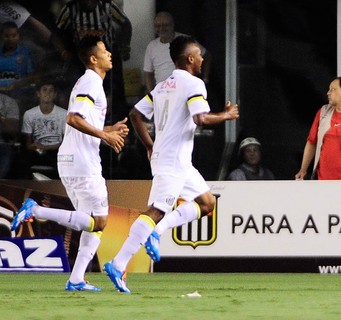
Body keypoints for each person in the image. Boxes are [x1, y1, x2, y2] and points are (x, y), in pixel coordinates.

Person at [104, 36, 239, 293]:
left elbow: (135, 114)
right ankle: (118, 263)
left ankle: (157, 232)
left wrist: (149, 144)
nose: (201, 59)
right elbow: (200, 118)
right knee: (155, 211)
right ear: (190, 59)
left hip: (177, 160)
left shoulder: (164, 85)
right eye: (198, 54)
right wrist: (226, 115)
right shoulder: (194, 83)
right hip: (172, 160)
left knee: (207, 203)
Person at [10, 35, 128, 292]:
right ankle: (35, 211)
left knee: (92, 223)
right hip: (82, 162)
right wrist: (105, 136)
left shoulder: (90, 83)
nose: (109, 54)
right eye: (104, 50)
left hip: (75, 159)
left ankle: (76, 278)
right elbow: (73, 119)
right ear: (93, 58)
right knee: (100, 222)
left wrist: (108, 128)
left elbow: (82, 122)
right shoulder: (90, 82)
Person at [55, 0, 132, 123]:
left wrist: (125, 47)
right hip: (81, 57)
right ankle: (84, 123)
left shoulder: (107, 6)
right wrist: (63, 51)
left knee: (115, 90)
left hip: (106, 53)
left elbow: (125, 24)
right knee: (82, 89)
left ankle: (117, 125)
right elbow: (56, 32)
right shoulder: (70, 9)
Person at [143, 11, 211, 92]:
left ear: (172, 25)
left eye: (165, 25)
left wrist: (205, 80)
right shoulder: (151, 46)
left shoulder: (186, 41)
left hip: (186, 92)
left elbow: (207, 55)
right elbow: (148, 73)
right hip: (162, 94)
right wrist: (152, 95)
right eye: (158, 26)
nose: (161, 28)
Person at [20, 80, 67, 179]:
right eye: (44, 90)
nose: (47, 93)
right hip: (36, 151)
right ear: (38, 94)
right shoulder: (29, 114)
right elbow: (28, 144)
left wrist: (46, 148)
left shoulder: (64, 114)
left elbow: (66, 143)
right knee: (21, 161)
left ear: (55, 94)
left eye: (51, 91)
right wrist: (36, 147)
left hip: (57, 151)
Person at [0, 21, 38, 106]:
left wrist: (16, 85)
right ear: (1, 36)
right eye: (6, 36)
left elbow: (32, 77)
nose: (10, 39)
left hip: (20, 91)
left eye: (14, 36)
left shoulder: (25, 53)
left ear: (19, 36)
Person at [0, 91, 19, 178]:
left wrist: (1, 118)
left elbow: (13, 131)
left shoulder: (9, 102)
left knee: (6, 150)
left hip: (2, 143)